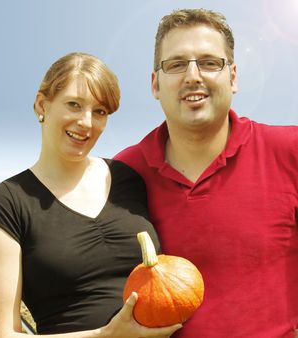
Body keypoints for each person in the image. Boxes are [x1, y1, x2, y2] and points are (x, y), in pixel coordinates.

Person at [115, 8, 298, 338]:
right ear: (155, 84)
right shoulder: (122, 174)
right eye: (176, 65)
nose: (192, 76)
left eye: (210, 62)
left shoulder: (291, 151)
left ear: (234, 76)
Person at [0, 52, 182, 337]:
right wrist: (106, 336)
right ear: (41, 105)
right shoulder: (8, 204)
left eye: (100, 112)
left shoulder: (128, 179)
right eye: (74, 105)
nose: (87, 122)